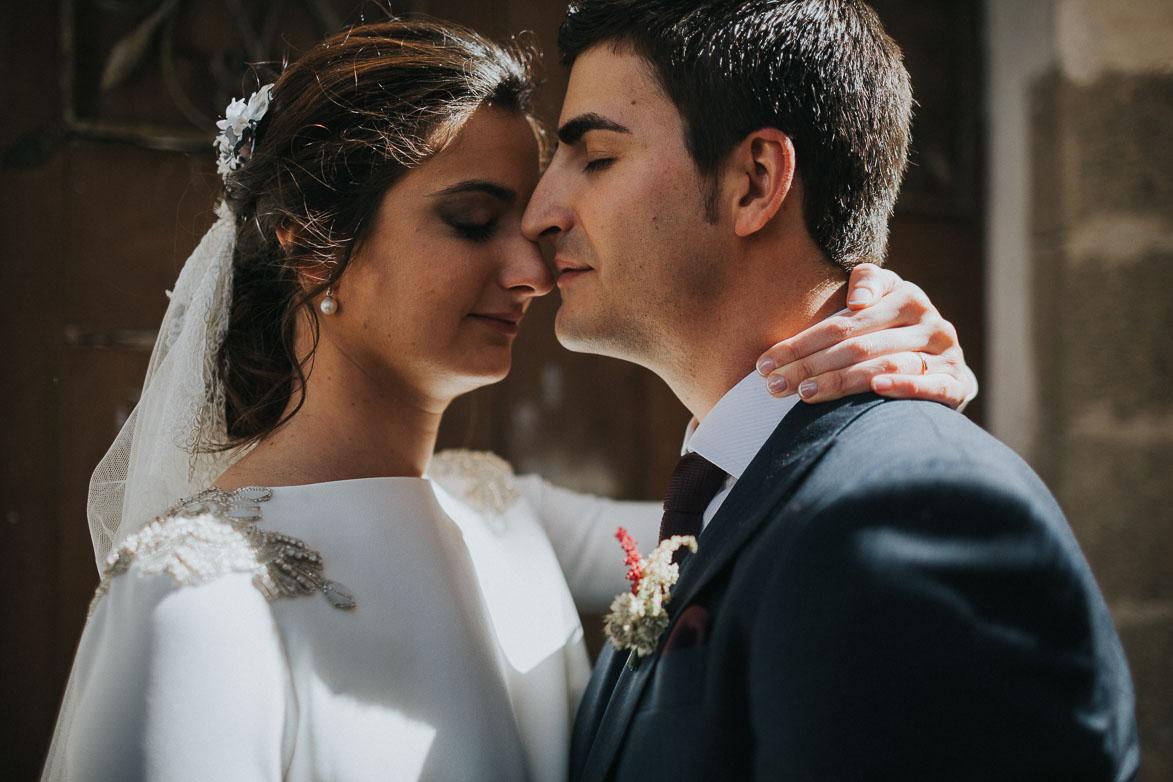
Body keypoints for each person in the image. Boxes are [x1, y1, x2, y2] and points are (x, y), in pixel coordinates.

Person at [43, 15, 978, 782]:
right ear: (307, 244)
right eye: (472, 220)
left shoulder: (505, 512)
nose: (533, 265)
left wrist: (861, 322)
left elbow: (781, 543)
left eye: (530, 214)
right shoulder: (194, 595)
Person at [520, 1, 1140, 781]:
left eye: (596, 156)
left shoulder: (915, 517)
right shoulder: (724, 500)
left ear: (754, 182)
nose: (538, 215)